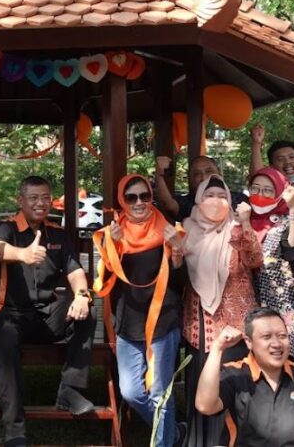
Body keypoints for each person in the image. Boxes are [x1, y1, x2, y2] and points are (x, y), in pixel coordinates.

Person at [0, 176, 96, 447]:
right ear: (20, 201)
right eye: (33, 198)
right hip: (5, 313)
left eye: (45, 197)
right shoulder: (6, 228)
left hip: (44, 316)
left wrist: (81, 294)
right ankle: (15, 432)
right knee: (6, 340)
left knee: (87, 311)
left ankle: (69, 389)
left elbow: (75, 270)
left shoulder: (56, 232)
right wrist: (23, 254)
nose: (40, 203)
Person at [93, 174, 185, 447]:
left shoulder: (167, 229)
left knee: (159, 393)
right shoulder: (115, 232)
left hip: (163, 321)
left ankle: (164, 441)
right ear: (122, 200)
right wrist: (114, 247)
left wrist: (178, 251)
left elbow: (180, 283)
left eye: (145, 196)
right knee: (131, 392)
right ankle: (173, 431)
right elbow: (107, 281)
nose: (139, 202)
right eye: (131, 197)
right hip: (128, 321)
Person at [180, 175, 264, 447]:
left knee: (231, 386)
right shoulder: (187, 229)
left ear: (230, 202)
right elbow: (176, 275)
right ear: (198, 199)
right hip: (199, 324)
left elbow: (255, 259)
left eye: (221, 196)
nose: (215, 201)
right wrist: (173, 251)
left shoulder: (235, 229)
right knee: (202, 384)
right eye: (208, 195)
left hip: (233, 327)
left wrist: (246, 224)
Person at [194, 308, 294, 447]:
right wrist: (217, 348)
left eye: (282, 336)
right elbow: (205, 406)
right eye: (266, 337)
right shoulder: (234, 374)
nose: (276, 344)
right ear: (249, 342)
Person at [250, 167, 294, 369]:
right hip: (249, 306)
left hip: (283, 305)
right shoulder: (241, 220)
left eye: (267, 190)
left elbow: (293, 248)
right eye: (255, 189)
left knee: (291, 368)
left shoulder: (284, 222)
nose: (260, 195)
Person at [154, 154, 246, 222]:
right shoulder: (187, 203)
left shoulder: (239, 200)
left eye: (209, 171)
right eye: (197, 174)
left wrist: (256, 144)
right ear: (190, 180)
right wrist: (159, 175)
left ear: (219, 174)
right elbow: (168, 204)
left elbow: (258, 187)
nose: (204, 178)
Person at [250, 124, 294, 213]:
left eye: (292, 157)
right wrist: (256, 144)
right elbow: (257, 176)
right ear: (271, 166)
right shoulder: (269, 193)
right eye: (280, 159)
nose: (288, 162)